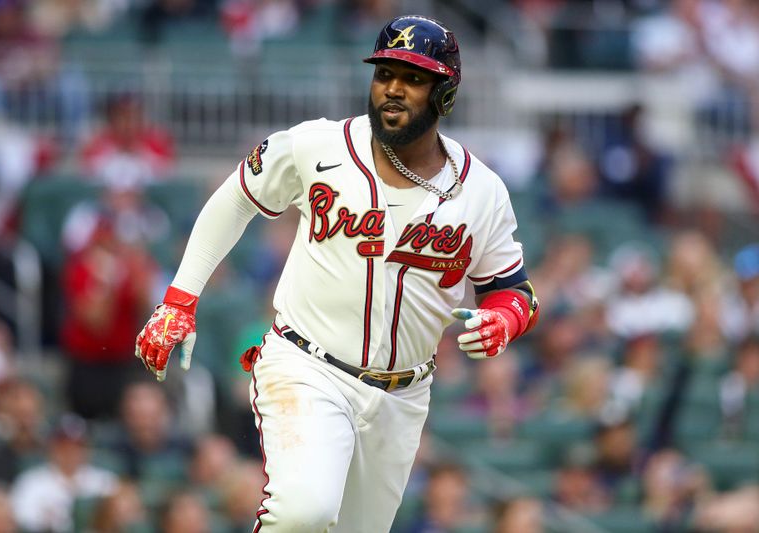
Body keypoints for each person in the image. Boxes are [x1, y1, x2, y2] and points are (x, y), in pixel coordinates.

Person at [135, 15, 540, 532]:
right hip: (309, 366)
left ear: (445, 94)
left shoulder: (482, 192)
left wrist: (504, 320)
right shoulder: (317, 146)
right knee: (303, 512)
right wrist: (179, 299)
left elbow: (513, 291)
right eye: (384, 73)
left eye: (413, 78)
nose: (393, 88)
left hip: (403, 394)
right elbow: (236, 198)